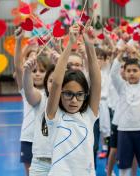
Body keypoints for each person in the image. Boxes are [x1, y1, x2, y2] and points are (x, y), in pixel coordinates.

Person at [45, 24, 101, 175]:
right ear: (61, 94)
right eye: (68, 94)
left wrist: (90, 46)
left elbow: (96, 82)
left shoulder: (89, 115)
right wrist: (70, 43)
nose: (74, 100)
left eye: (79, 95)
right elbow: (56, 83)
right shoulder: (54, 116)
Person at [14, 27, 51, 175]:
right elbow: (18, 67)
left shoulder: (53, 91)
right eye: (34, 71)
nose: (37, 74)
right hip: (29, 138)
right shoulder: (26, 90)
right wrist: (18, 41)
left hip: (48, 139)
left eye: (42, 71)